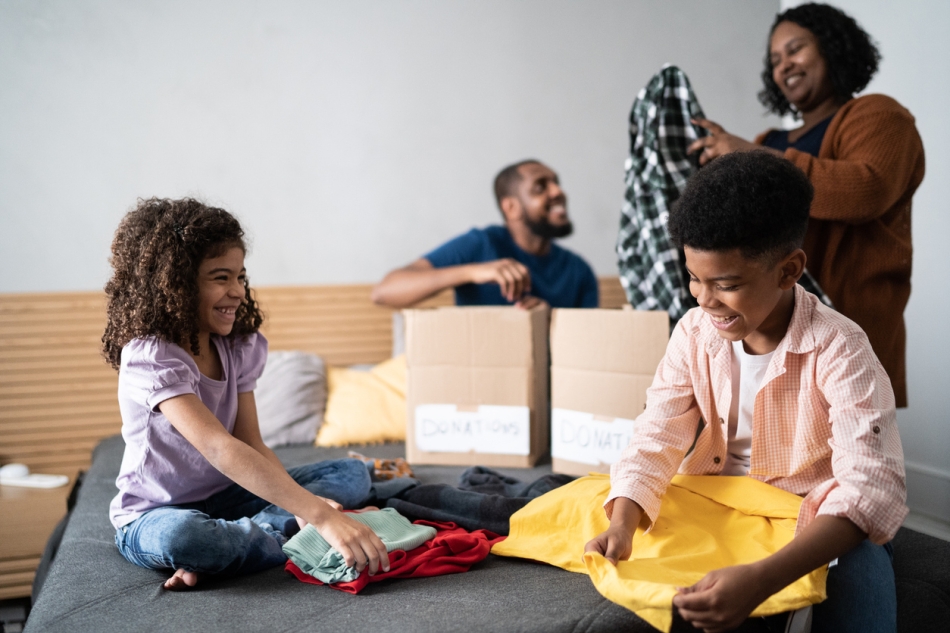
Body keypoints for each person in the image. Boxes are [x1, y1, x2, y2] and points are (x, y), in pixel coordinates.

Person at [584, 152, 906, 633]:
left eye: (726, 284)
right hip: (718, 500)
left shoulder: (842, 348)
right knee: (592, 504)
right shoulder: (694, 332)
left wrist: (761, 579)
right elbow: (657, 433)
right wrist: (623, 523)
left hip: (804, 511)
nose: (704, 299)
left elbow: (869, 488)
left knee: (864, 575)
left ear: (788, 270)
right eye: (694, 277)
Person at [102, 198, 389, 590]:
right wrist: (320, 516)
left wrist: (306, 504)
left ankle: (240, 547)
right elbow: (220, 447)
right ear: (176, 284)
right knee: (185, 538)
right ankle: (269, 539)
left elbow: (250, 442)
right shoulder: (152, 357)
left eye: (240, 276)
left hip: (229, 494)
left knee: (349, 474)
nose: (237, 291)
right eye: (221, 278)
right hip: (157, 513)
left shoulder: (237, 346)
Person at [686, 2, 925, 407]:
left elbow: (865, 191)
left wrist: (753, 157)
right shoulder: (771, 140)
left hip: (849, 320)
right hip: (772, 324)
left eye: (795, 49)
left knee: (846, 449)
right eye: (775, 60)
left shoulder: (879, 115)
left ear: (833, 48)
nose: (784, 66)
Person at [371, 160, 598, 309]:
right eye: (541, 188)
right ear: (511, 208)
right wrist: (473, 271)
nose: (558, 192)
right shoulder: (480, 244)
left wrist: (550, 322)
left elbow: (588, 349)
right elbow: (384, 292)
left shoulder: (579, 270)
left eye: (556, 184)